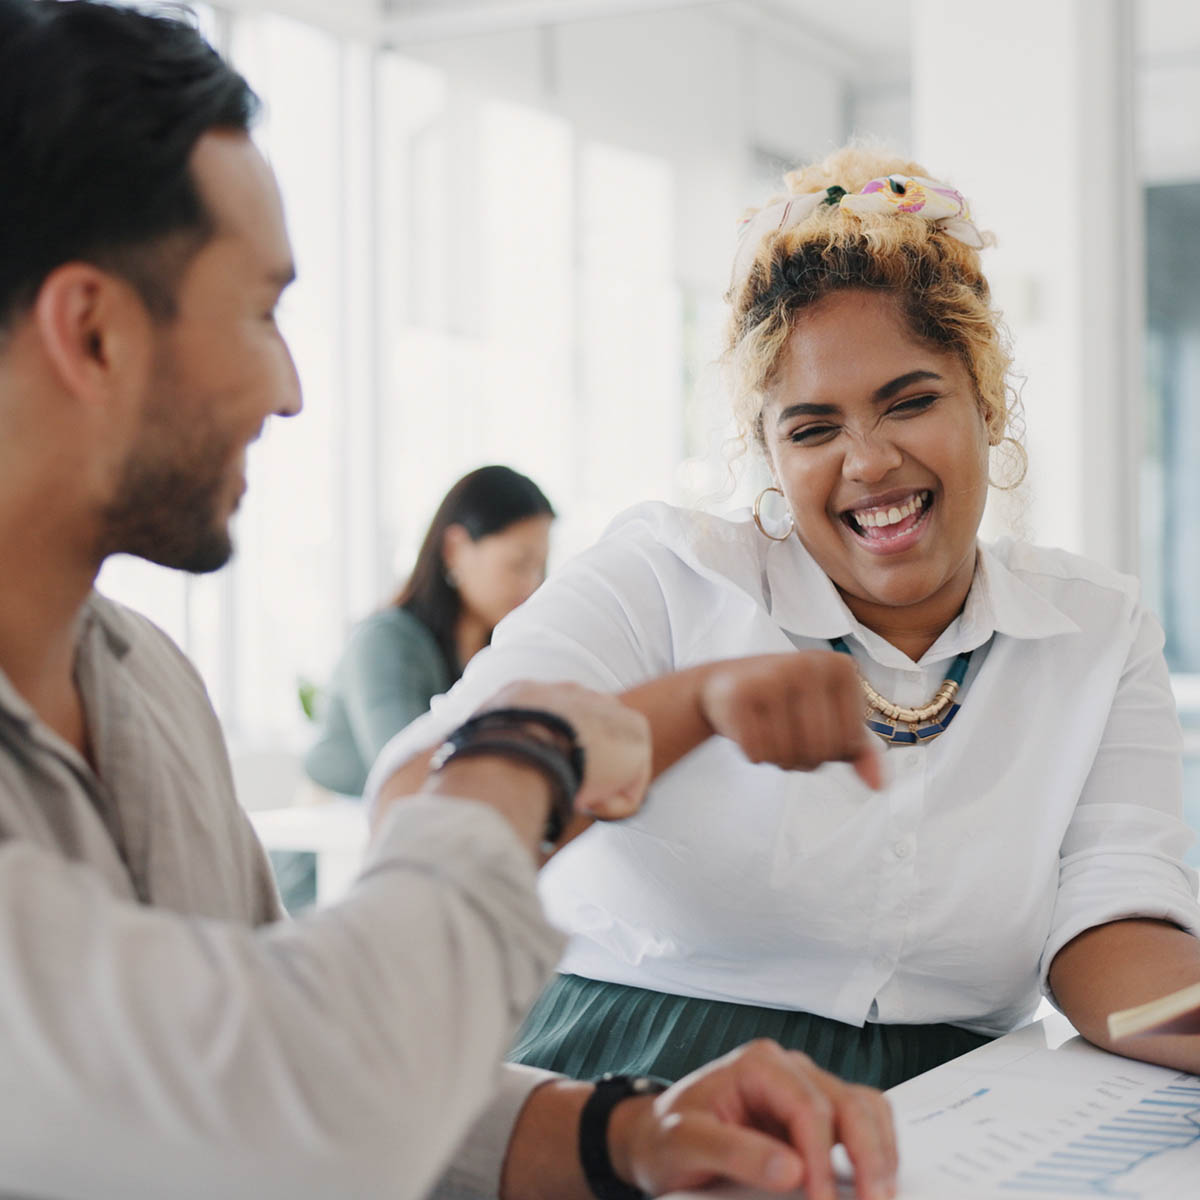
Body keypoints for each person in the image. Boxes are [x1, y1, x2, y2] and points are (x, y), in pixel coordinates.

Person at [0, 4, 902, 1200]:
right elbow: (309, 1100)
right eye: (263, 312)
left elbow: (292, 1029)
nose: (292, 388)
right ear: (93, 332)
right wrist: (526, 752)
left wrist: (623, 1133)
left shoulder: (145, 679)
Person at [370, 145, 1200, 1090]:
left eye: (911, 402)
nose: (869, 459)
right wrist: (694, 704)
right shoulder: (663, 578)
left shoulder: (1098, 631)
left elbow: (1112, 926)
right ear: (768, 452)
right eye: (812, 429)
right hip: (635, 1080)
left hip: (957, 1103)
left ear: (988, 402)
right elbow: (427, 800)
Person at [305, 465, 554, 797]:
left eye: (541, 568)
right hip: (331, 836)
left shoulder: (498, 649)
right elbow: (406, 768)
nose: (532, 585)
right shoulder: (384, 640)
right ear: (455, 548)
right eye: (519, 564)